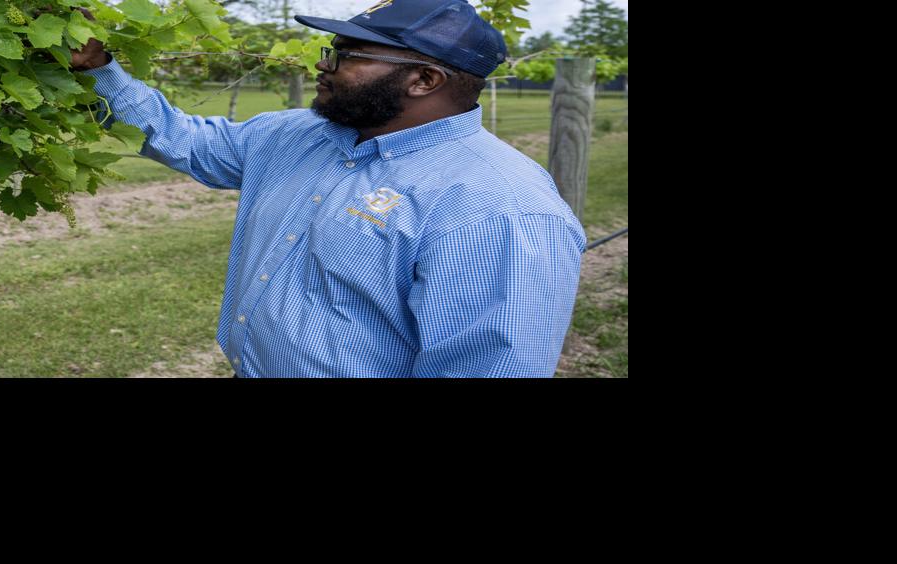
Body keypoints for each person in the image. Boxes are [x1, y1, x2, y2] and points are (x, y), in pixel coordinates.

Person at [71, 0, 585, 377]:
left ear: (424, 79)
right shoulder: (297, 135)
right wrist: (99, 71)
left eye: (348, 54)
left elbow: (487, 367)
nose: (323, 64)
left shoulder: (499, 207)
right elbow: (189, 142)